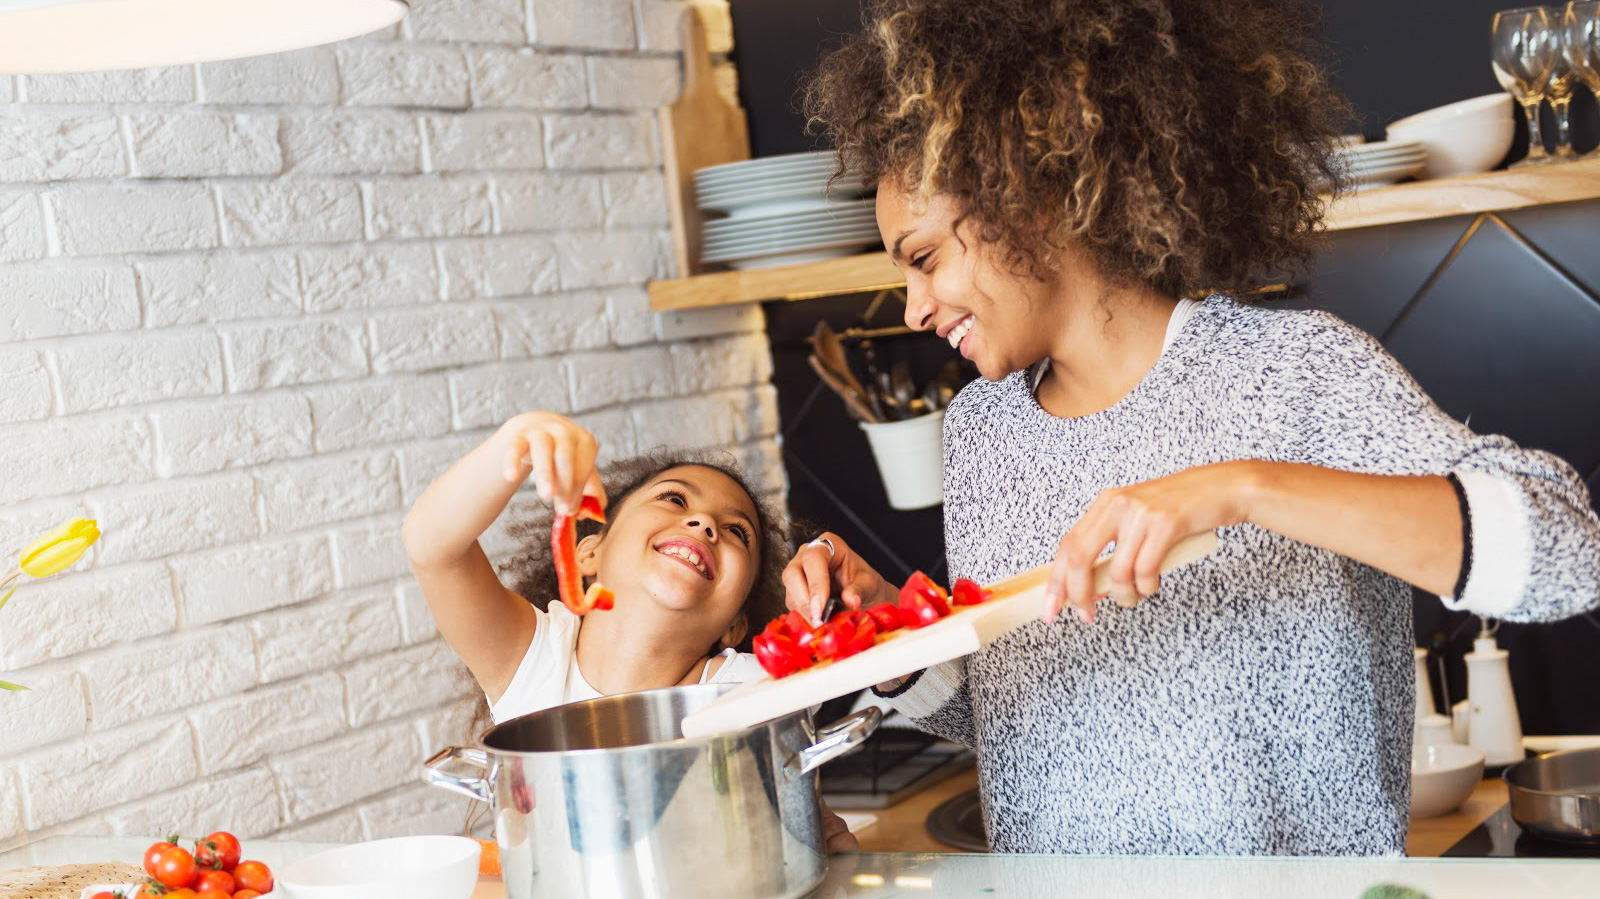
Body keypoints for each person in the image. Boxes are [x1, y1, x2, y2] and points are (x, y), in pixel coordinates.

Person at [782, 0, 1600, 855]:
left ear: (1031, 195)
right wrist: (895, 639)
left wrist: (1239, 486)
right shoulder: (983, 432)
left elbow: (1569, 553)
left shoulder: (1293, 372)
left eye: (923, 257)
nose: (913, 307)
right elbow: (1030, 723)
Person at [403, 411, 858, 850]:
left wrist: (827, 562)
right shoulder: (534, 658)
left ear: (735, 625)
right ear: (589, 554)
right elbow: (433, 546)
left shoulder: (758, 684)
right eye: (675, 499)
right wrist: (515, 442)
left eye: (737, 532)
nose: (704, 524)